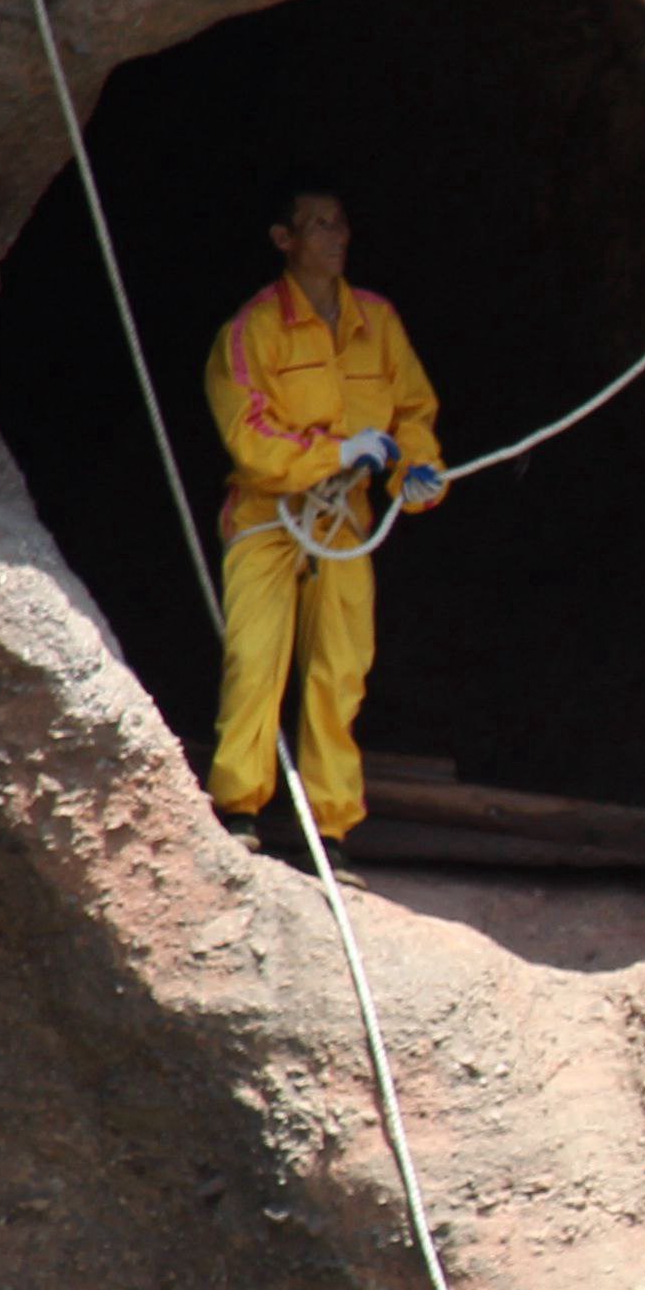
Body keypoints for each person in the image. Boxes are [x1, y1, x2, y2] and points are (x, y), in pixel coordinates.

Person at [200, 186, 443, 840]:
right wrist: (338, 451)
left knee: (340, 673)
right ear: (286, 239)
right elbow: (250, 438)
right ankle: (240, 808)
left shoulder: (377, 322)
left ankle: (330, 832)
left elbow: (413, 411)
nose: (337, 237)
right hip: (267, 519)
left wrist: (414, 472)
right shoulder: (253, 330)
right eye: (319, 225)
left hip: (344, 524)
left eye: (341, 224)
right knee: (256, 660)